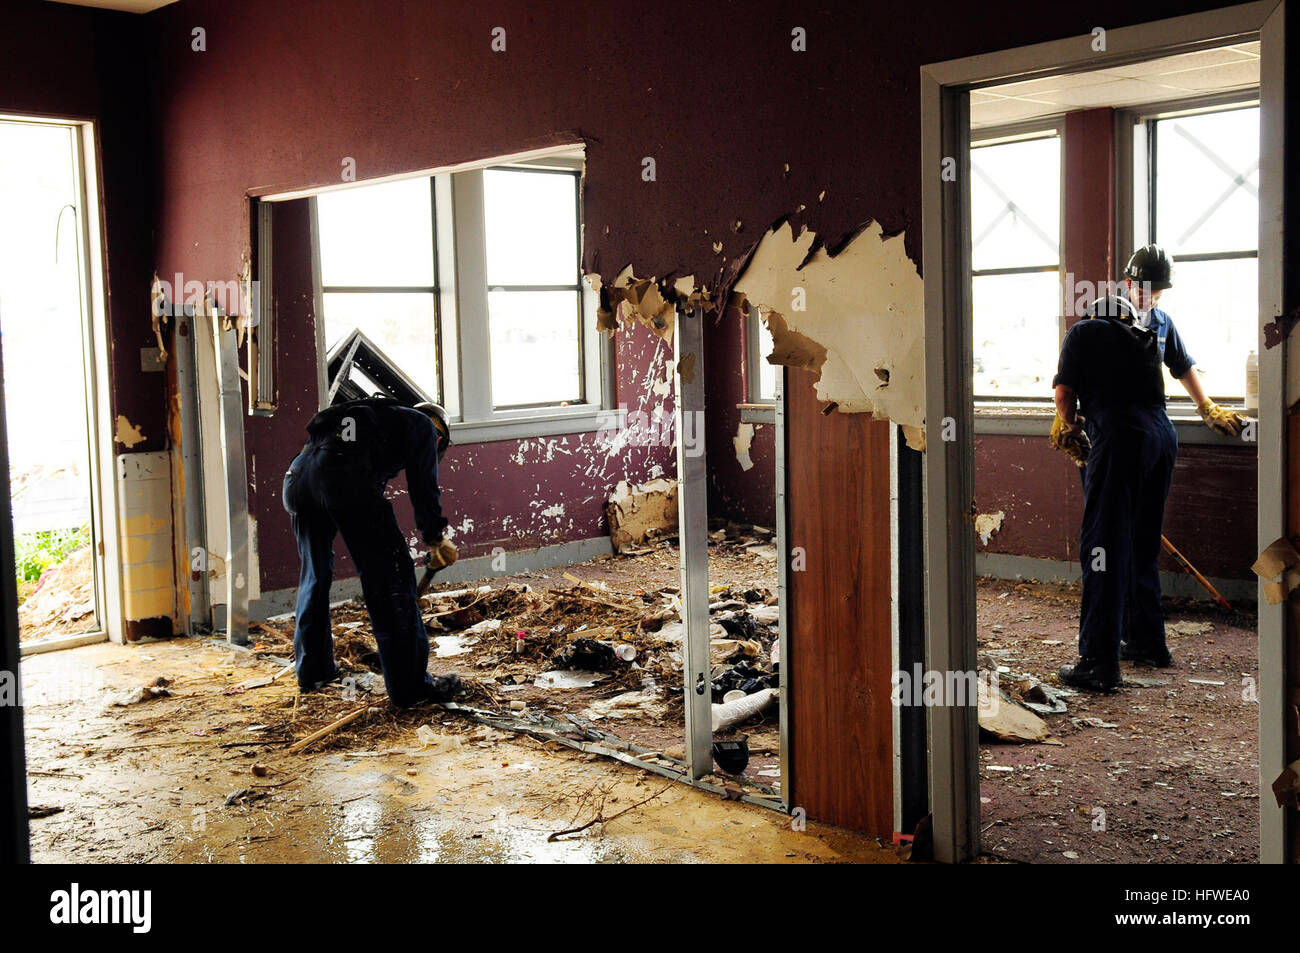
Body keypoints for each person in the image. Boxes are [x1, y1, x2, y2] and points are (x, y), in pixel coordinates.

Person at [1049, 244, 1247, 692]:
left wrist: (1066, 425)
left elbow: (1065, 395)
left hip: (1120, 441)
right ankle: (1146, 641)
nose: (1148, 295)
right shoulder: (1141, 332)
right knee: (1140, 539)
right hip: (1160, 439)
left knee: (1102, 544)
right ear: (1126, 288)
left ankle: (1098, 662)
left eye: (1155, 290)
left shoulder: (1086, 331)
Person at [282, 397, 462, 706]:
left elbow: (361, 486)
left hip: (297, 479)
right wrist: (434, 537)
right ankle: (411, 686)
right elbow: (423, 485)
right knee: (391, 578)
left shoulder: (376, 423)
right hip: (339, 476)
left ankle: (314, 671)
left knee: (315, 575)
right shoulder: (422, 427)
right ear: (440, 435)